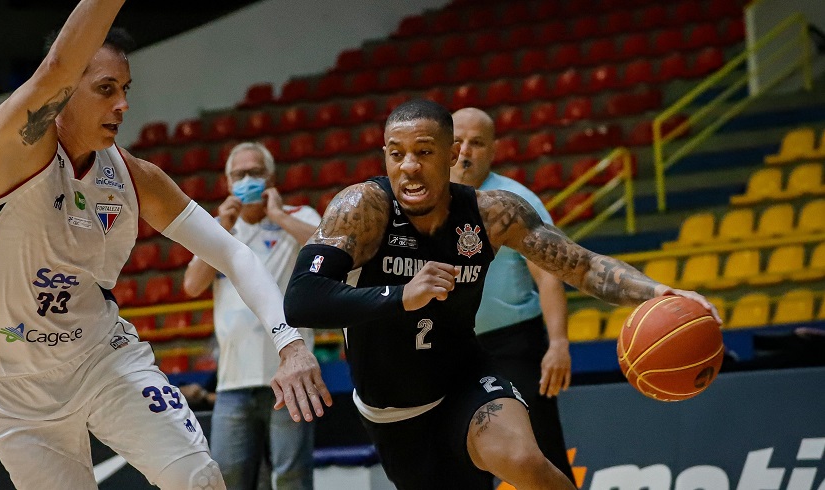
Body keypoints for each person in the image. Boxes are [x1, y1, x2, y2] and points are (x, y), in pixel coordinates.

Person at [0, 2, 330, 488]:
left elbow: (233, 253)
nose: (123, 104)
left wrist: (290, 342)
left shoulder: (135, 179)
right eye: (106, 89)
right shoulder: (12, 149)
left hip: (101, 360)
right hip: (10, 391)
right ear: (64, 92)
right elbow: (57, 67)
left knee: (200, 480)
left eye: (125, 90)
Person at [283, 99, 721, 490]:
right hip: (394, 412)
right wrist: (400, 295)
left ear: (452, 155)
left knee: (525, 460)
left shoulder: (493, 213)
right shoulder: (363, 208)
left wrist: (656, 292)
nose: (409, 166)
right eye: (397, 155)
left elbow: (581, 265)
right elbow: (303, 297)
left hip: (464, 377)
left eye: (424, 152)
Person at [183, 142, 319, 490]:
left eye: (255, 172)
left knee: (291, 476)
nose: (247, 179)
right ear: (228, 183)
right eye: (239, 174)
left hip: (291, 375)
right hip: (232, 382)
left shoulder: (299, 215)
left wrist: (278, 217)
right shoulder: (214, 227)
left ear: (270, 177)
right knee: (227, 475)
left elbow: (328, 248)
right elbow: (192, 285)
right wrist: (220, 229)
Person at [449, 107, 575, 483]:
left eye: (477, 142)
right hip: (450, 347)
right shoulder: (426, 199)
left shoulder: (518, 201)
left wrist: (559, 343)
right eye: (456, 141)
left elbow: (549, 276)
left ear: (494, 150)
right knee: (461, 458)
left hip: (514, 345)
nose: (465, 151)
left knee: (542, 453)